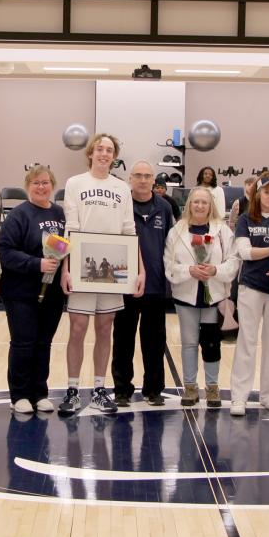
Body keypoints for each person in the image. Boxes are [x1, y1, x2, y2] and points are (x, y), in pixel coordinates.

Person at [60, 133, 145, 414]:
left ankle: (99, 389)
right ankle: (72, 390)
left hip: (113, 268)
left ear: (114, 156)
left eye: (109, 150)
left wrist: (140, 269)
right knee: (78, 328)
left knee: (105, 328)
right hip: (82, 265)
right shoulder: (75, 183)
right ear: (90, 153)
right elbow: (69, 229)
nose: (104, 154)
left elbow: (129, 231)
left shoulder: (121, 188)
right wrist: (65, 268)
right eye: (100, 149)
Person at [0, 164, 65, 414]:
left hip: (52, 292)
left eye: (45, 182)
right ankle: (19, 395)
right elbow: (4, 250)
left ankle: (39, 392)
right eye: (36, 183)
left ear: (52, 185)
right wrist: (37, 264)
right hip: (20, 291)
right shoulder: (19, 215)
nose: (41, 187)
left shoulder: (60, 214)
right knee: (23, 342)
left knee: (43, 342)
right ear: (28, 187)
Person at [164, 186, 239, 407]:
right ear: (189, 204)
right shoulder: (176, 231)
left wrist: (216, 271)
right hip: (186, 296)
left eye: (204, 202)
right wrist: (189, 271)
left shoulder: (222, 231)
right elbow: (168, 264)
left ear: (210, 206)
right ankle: (190, 388)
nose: (199, 206)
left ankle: (212, 388)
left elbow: (234, 261)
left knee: (211, 343)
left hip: (213, 296)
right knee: (188, 343)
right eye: (195, 202)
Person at [111, 160, 174, 407]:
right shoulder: (121, 205)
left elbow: (171, 243)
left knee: (155, 341)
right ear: (130, 178)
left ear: (153, 180)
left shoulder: (166, 208)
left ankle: (154, 389)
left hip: (156, 285)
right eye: (138, 175)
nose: (143, 180)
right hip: (125, 283)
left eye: (147, 176)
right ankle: (122, 390)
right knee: (123, 339)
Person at [229, 172, 269, 415]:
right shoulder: (245, 219)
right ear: (258, 193)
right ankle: (239, 397)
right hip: (250, 286)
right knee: (247, 343)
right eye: (267, 192)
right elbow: (245, 252)